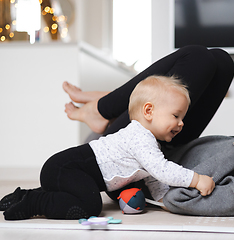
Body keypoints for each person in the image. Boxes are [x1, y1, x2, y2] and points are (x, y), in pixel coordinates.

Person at [61, 46, 234, 217]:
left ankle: (102, 108)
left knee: (197, 57)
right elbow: (227, 159)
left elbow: (182, 199)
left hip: (144, 165)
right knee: (220, 62)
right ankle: (105, 107)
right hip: (164, 147)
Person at [0, 74, 216, 220]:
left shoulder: (147, 141)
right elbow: (161, 169)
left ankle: (23, 195)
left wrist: (164, 201)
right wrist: (196, 179)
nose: (181, 123)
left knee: (84, 195)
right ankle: (35, 202)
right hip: (66, 168)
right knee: (89, 206)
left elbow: (152, 176)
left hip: (66, 172)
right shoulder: (139, 137)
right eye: (176, 115)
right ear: (148, 111)